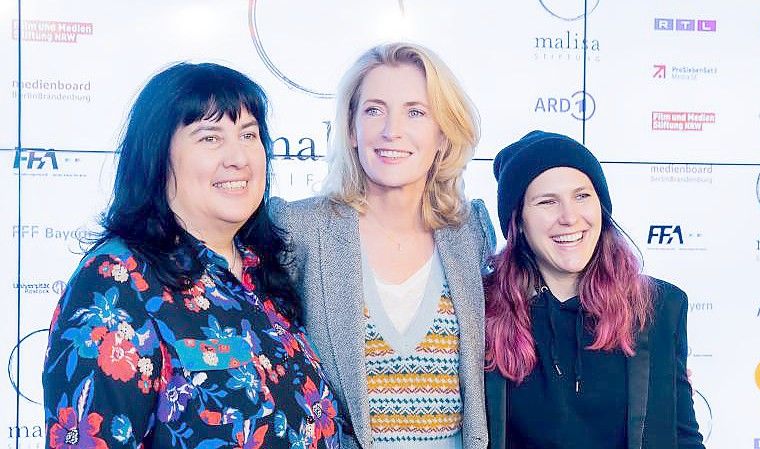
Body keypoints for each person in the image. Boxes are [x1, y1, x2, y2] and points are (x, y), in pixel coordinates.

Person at [42, 62, 342, 449]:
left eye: (249, 135)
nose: (238, 157)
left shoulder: (265, 271)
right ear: (157, 156)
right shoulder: (117, 281)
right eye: (210, 138)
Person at [271, 42, 495, 449]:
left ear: (442, 135)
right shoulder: (299, 230)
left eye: (416, 112)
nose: (392, 130)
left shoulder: (469, 233)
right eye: (374, 109)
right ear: (352, 129)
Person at [484, 131, 705, 449]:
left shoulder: (659, 306)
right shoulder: (482, 308)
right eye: (548, 202)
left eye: (582, 196)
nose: (570, 217)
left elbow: (682, 436)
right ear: (518, 222)